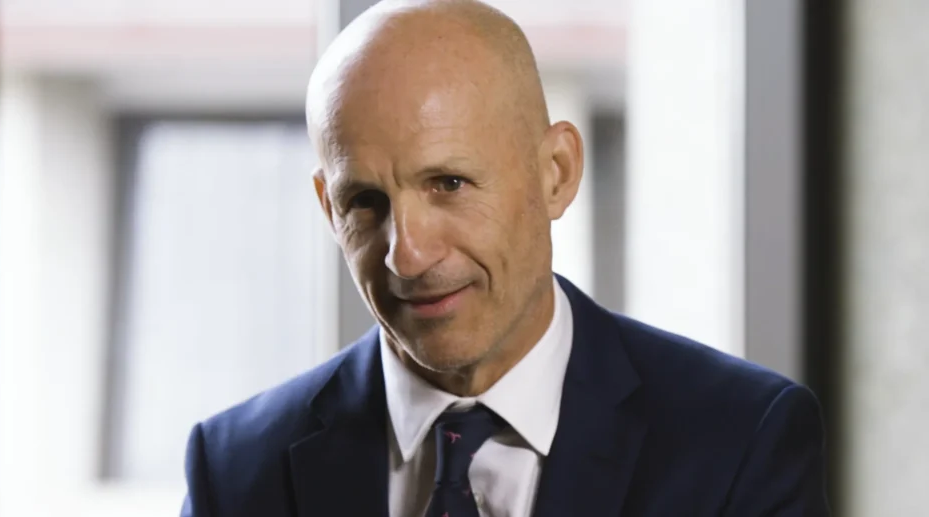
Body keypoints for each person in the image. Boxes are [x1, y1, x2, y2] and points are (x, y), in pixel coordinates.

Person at [180, 1, 830, 515]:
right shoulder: (236, 470)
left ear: (557, 172)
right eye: (366, 202)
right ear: (329, 209)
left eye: (449, 183)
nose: (408, 255)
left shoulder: (739, 441)